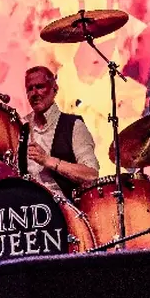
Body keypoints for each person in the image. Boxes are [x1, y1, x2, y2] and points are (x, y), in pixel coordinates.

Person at [24, 66, 99, 199]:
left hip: (64, 206)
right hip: (27, 206)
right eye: (30, 89)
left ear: (55, 88)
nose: (34, 93)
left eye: (40, 86)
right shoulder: (22, 128)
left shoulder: (74, 125)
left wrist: (47, 160)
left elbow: (91, 175)